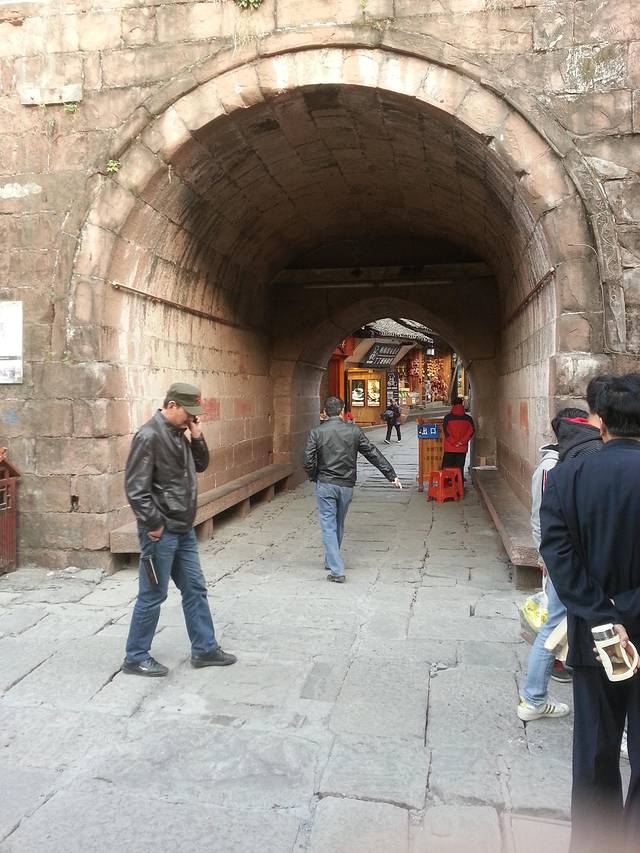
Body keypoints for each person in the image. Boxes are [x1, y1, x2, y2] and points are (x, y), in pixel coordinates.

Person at [540, 374, 640, 853]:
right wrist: (629, 607)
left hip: (594, 636)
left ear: (600, 422)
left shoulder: (568, 477)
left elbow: (558, 555)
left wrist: (602, 614)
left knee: (596, 754)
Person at [122, 382, 237, 676]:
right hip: (160, 532)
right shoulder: (149, 435)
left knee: (195, 588)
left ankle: (205, 649)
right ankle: (135, 656)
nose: (191, 418)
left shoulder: (179, 433)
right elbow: (136, 489)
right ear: (172, 405)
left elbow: (200, 465)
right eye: (189, 412)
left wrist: (197, 435)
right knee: (153, 594)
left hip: (183, 528)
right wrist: (154, 524)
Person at [518, 406, 596, 722]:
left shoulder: (568, 460)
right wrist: (545, 558)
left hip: (566, 560)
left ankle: (536, 695)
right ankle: (534, 698)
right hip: (562, 562)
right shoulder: (552, 466)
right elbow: (542, 516)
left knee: (558, 623)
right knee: (554, 624)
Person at [304, 396, 402, 583]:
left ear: (324, 412)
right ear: (342, 411)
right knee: (338, 522)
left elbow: (308, 459)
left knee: (328, 525)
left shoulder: (317, 432)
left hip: (326, 483)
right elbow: (372, 453)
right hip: (346, 484)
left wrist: (314, 476)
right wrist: (391, 475)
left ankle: (336, 569)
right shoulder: (354, 431)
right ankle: (332, 560)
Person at [442, 397, 475, 485]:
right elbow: (471, 431)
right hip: (462, 448)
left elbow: (446, 432)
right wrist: (462, 442)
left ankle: (447, 486)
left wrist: (454, 442)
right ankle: (459, 486)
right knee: (459, 468)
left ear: (453, 405)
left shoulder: (448, 418)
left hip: (449, 447)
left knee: (447, 467)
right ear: (462, 404)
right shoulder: (468, 418)